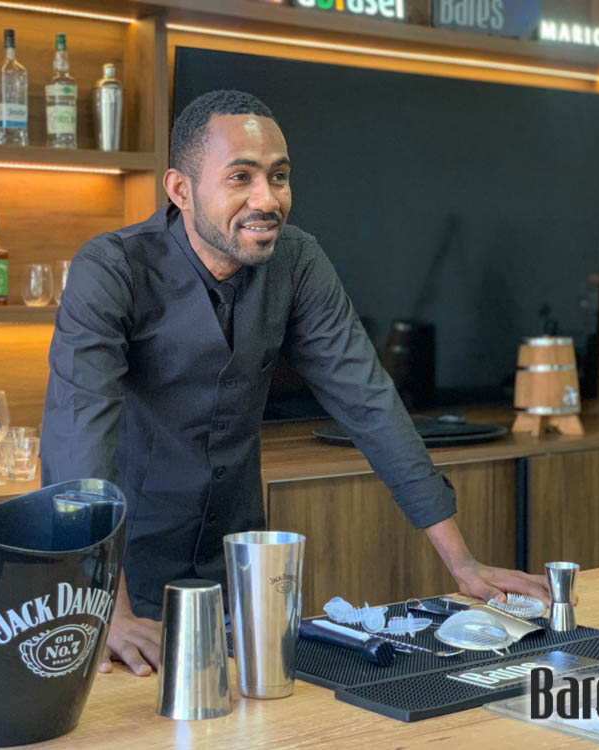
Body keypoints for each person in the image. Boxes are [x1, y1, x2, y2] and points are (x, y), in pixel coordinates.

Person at [41, 89, 550, 677]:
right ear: (180, 190)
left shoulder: (298, 262)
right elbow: (80, 437)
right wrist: (106, 607)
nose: (267, 199)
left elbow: (370, 404)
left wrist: (464, 564)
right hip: (120, 571)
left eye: (278, 177)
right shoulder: (112, 268)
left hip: (240, 568)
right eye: (241, 177)